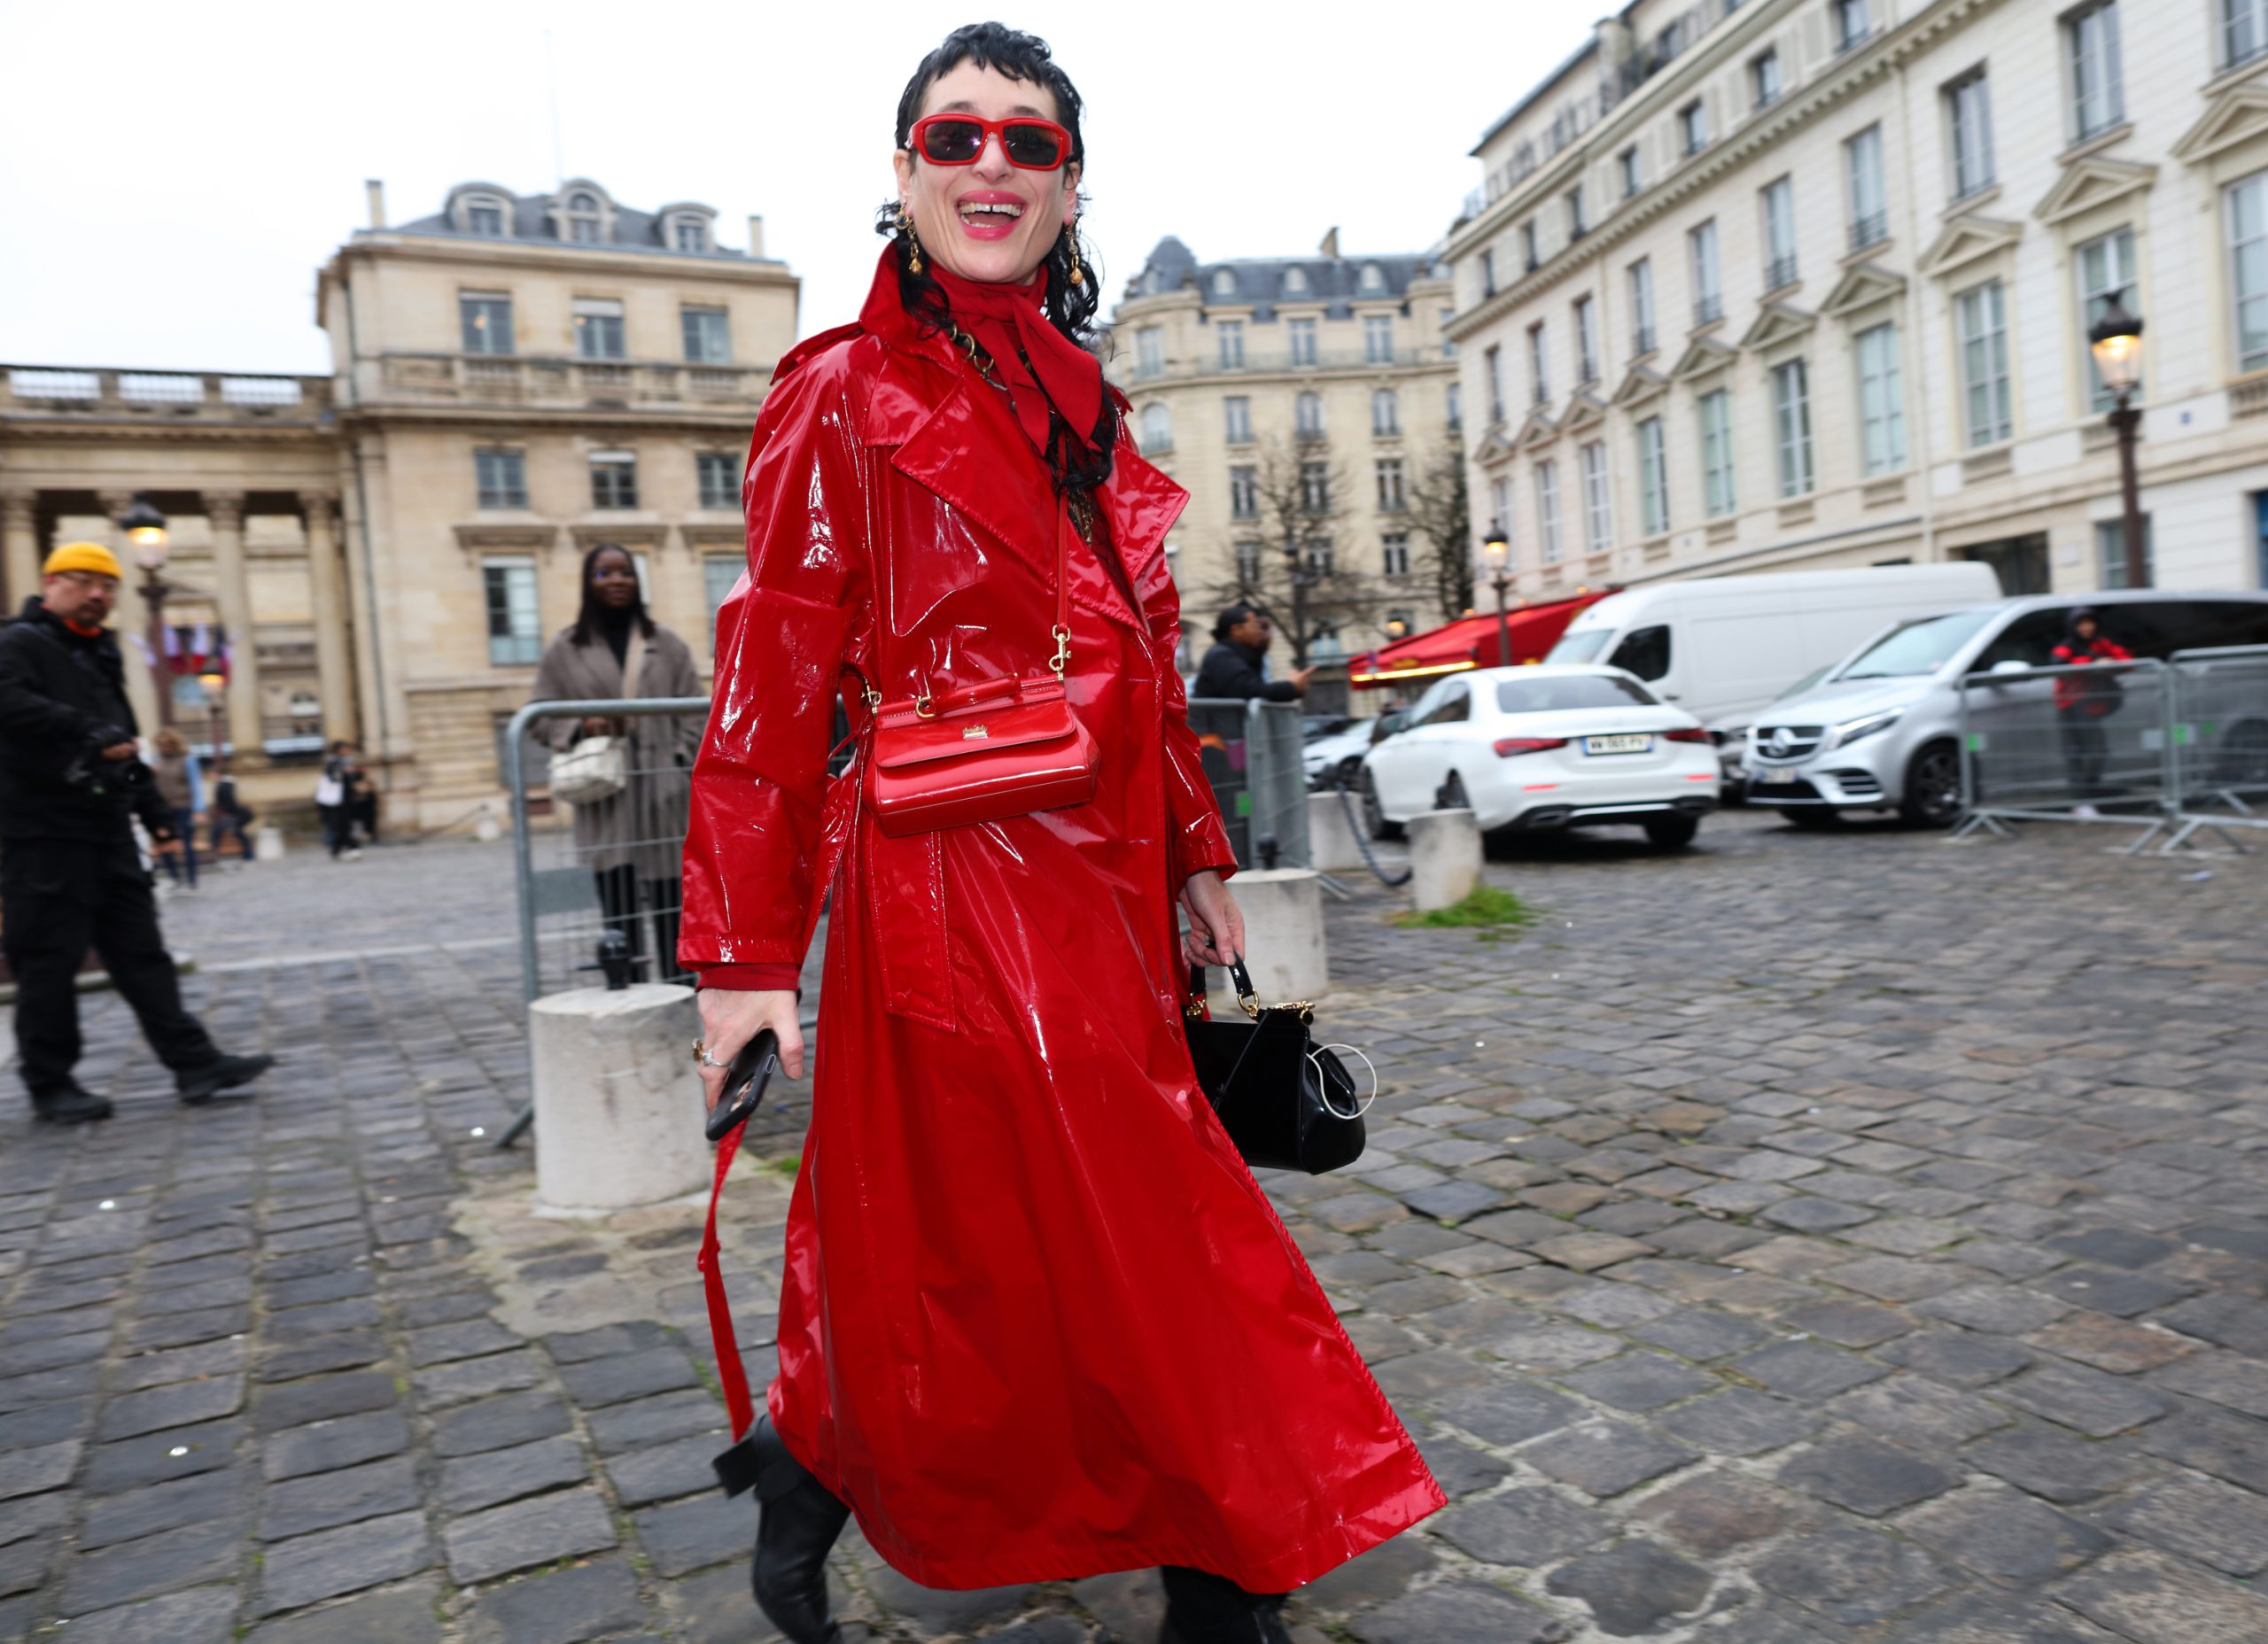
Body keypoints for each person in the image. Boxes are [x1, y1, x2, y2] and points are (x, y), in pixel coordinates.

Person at [679, 27, 1441, 1644]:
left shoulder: (1082, 398)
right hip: (952, 890)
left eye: (1028, 145)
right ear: (899, 176)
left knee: (985, 1241)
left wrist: (1193, 855)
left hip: (1092, 884)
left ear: (1072, 184)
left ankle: (816, 1464)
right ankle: (1229, 1565)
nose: (991, 170)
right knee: (1148, 1222)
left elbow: (1141, 671)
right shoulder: (838, 392)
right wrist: (741, 958)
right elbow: (768, 681)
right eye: (954, 140)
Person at [0, 543, 275, 1124]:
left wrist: (152, 811)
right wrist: (87, 730)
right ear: (51, 583)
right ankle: (50, 1084)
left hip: (105, 828)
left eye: (108, 587)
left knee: (141, 952)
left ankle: (195, 1063)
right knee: (50, 959)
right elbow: (11, 705)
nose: (98, 595)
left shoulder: (99, 654)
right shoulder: (17, 643)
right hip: (41, 832)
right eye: (84, 583)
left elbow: (123, 738)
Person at [532, 543, 703, 985]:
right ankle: (627, 991)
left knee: (673, 906)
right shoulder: (566, 648)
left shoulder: (666, 644)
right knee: (618, 905)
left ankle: (679, 993)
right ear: (588, 584)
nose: (617, 580)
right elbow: (539, 715)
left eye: (625, 571)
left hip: (663, 793)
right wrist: (581, 727)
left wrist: (678, 758)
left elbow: (697, 710)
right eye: (604, 574)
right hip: (607, 794)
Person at [2051, 606, 2132, 818]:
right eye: (2081, 623)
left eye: (2090, 622)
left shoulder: (2102, 643)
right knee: (2075, 756)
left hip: (2091, 709)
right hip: (2070, 709)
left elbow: (2127, 660)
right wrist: (2093, 663)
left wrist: (2110, 662)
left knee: (2097, 753)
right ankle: (2081, 801)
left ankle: (2086, 797)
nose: (2087, 627)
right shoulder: (2067, 646)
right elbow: (2057, 664)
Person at [1193, 601, 1313, 702]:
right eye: (1255, 624)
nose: (1260, 631)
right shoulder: (1221, 656)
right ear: (1236, 630)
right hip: (1215, 729)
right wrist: (1290, 687)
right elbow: (1247, 691)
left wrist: (1293, 688)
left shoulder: (1241, 655)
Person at [149, 726, 205, 889]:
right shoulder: (155, 760)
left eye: (167, 744)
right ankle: (175, 878)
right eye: (160, 745)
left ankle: (191, 880)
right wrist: (152, 773)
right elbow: (149, 786)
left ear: (175, 744)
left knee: (187, 844)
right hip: (163, 811)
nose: (164, 748)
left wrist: (198, 809)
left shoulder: (187, 759)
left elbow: (196, 785)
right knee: (164, 843)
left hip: (184, 808)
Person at [315, 741, 363, 859]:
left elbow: (355, 779)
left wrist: (357, 773)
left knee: (344, 825)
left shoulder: (349, 761)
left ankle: (336, 850)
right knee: (342, 825)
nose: (347, 751)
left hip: (346, 798)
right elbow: (333, 778)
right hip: (335, 801)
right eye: (345, 749)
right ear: (338, 750)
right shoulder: (332, 762)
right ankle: (353, 847)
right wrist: (344, 771)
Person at [209, 759, 254, 863]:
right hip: (232, 814)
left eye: (212, 774)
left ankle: (213, 855)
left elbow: (228, 802)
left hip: (229, 815)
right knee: (238, 833)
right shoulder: (227, 784)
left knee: (215, 833)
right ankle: (248, 854)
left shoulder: (222, 786)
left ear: (217, 774)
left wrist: (226, 813)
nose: (210, 776)